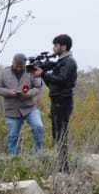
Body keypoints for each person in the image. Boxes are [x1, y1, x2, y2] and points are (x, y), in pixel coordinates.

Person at [32, 33, 77, 172]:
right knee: (57, 135)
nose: (53, 48)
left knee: (61, 134)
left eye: (56, 45)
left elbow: (62, 79)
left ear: (63, 46)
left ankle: (64, 169)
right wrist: (42, 71)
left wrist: (43, 74)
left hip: (63, 103)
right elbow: (52, 83)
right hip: (57, 101)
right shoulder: (61, 61)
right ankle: (61, 166)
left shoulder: (69, 62)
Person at [0, 53, 45, 155]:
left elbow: (38, 87)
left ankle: (38, 154)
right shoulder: (4, 72)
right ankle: (13, 159)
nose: (18, 68)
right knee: (13, 136)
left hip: (30, 108)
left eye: (21, 66)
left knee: (38, 126)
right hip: (12, 110)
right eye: (16, 66)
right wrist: (8, 92)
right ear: (12, 63)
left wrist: (28, 94)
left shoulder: (30, 71)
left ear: (24, 64)